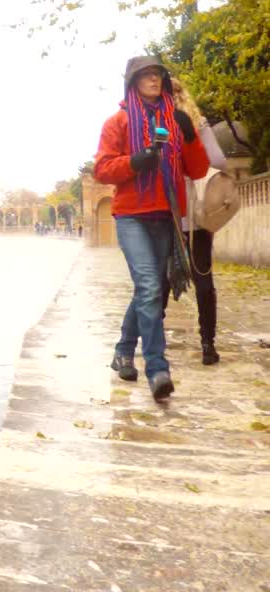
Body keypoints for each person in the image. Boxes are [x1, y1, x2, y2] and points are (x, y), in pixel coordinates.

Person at [94, 56, 209, 401]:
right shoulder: (118, 122)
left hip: (166, 215)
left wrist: (188, 135)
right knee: (147, 285)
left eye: (157, 75)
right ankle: (158, 369)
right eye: (145, 75)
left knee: (150, 290)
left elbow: (199, 169)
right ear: (132, 82)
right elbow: (102, 169)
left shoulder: (175, 121)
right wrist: (134, 162)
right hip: (131, 216)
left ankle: (123, 351)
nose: (153, 80)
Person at [160, 81, 228, 366]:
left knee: (162, 277)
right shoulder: (199, 124)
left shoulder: (159, 125)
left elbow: (217, 161)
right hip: (193, 213)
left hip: (173, 211)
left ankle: (156, 341)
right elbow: (219, 161)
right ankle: (207, 344)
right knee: (202, 275)